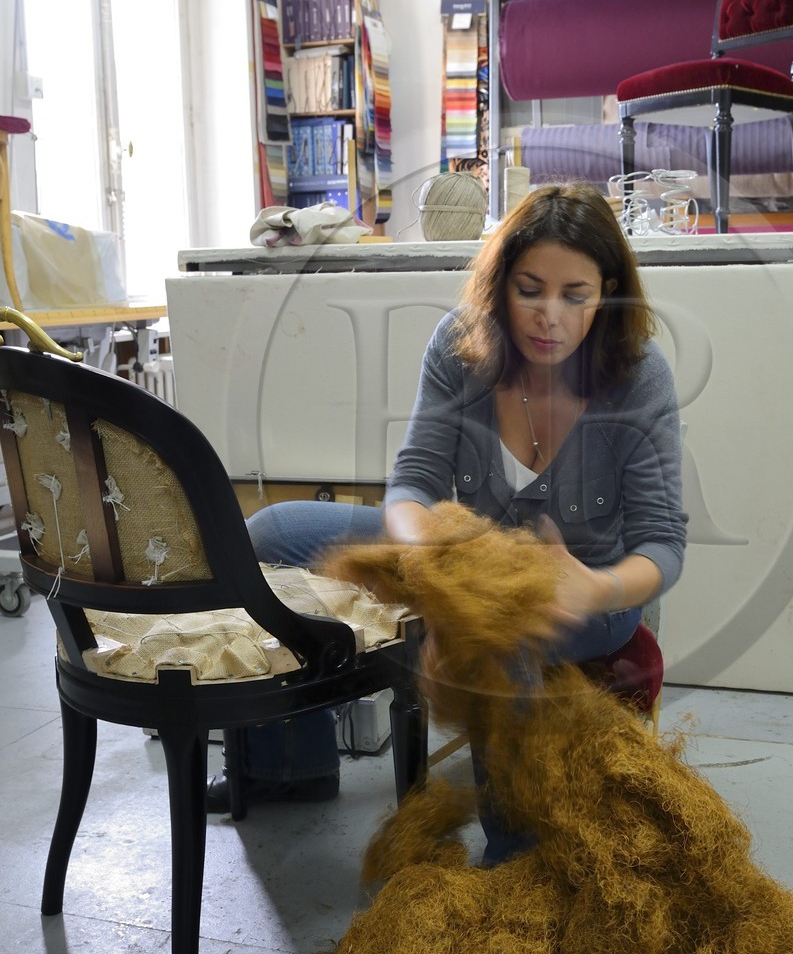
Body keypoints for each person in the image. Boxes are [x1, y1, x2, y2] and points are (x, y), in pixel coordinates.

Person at [207, 184, 688, 859]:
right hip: (463, 556)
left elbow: (663, 544)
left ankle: (513, 859)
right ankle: (291, 765)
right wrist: (424, 543)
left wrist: (597, 589)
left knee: (502, 626)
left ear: (605, 291)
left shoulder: (639, 376)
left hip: (590, 589)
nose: (549, 316)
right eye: (529, 289)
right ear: (500, 285)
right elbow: (413, 484)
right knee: (270, 535)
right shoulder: (461, 348)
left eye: (574, 295)